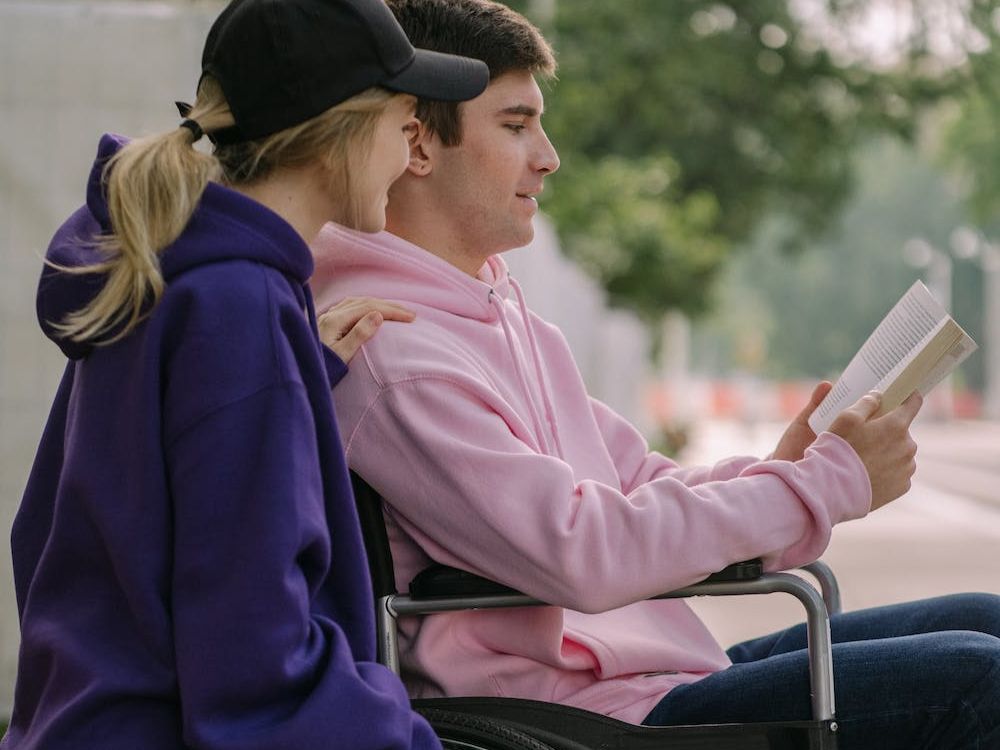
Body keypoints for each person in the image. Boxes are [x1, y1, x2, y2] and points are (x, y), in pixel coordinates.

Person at [308, 0, 1000, 747]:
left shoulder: (504, 318)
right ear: (417, 144)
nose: (549, 155)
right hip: (581, 711)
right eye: (515, 126)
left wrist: (786, 467)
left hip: (651, 675)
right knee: (981, 678)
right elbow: (584, 550)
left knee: (985, 618)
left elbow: (637, 484)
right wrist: (826, 485)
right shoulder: (394, 352)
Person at [2, 1, 489, 748]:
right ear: (339, 129)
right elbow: (258, 665)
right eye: (406, 118)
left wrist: (296, 374)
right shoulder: (238, 309)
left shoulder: (166, 273)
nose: (413, 147)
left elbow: (72, 525)